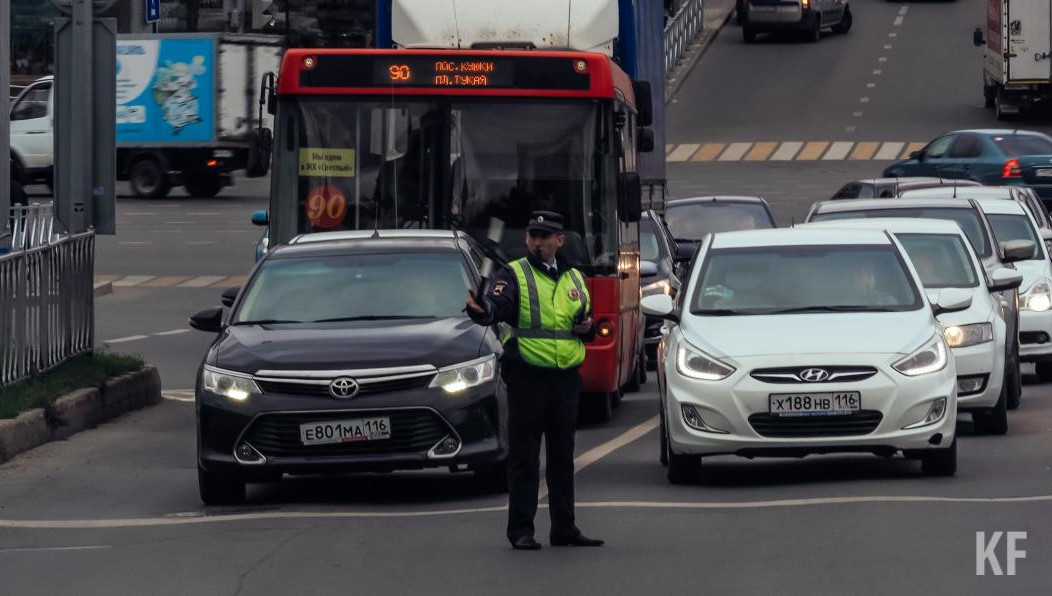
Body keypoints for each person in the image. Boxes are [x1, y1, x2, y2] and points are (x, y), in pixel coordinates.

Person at [465, 210, 604, 551]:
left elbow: (579, 321)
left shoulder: (574, 278)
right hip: (528, 376)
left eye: (545, 236)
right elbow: (496, 304)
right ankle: (521, 530)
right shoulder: (514, 274)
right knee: (525, 457)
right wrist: (483, 311)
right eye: (532, 236)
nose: (537, 242)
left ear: (560, 240)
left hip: (565, 378)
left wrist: (584, 328)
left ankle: (564, 528)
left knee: (562, 457)